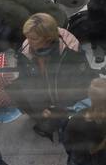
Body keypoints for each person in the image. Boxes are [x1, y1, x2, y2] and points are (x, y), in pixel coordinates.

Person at [9, 13, 95, 141]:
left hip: (67, 100)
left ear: (47, 38)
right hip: (46, 97)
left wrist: (57, 108)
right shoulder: (26, 50)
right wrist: (41, 107)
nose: (28, 41)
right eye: (27, 36)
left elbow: (77, 86)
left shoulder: (70, 51)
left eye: (33, 38)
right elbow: (27, 82)